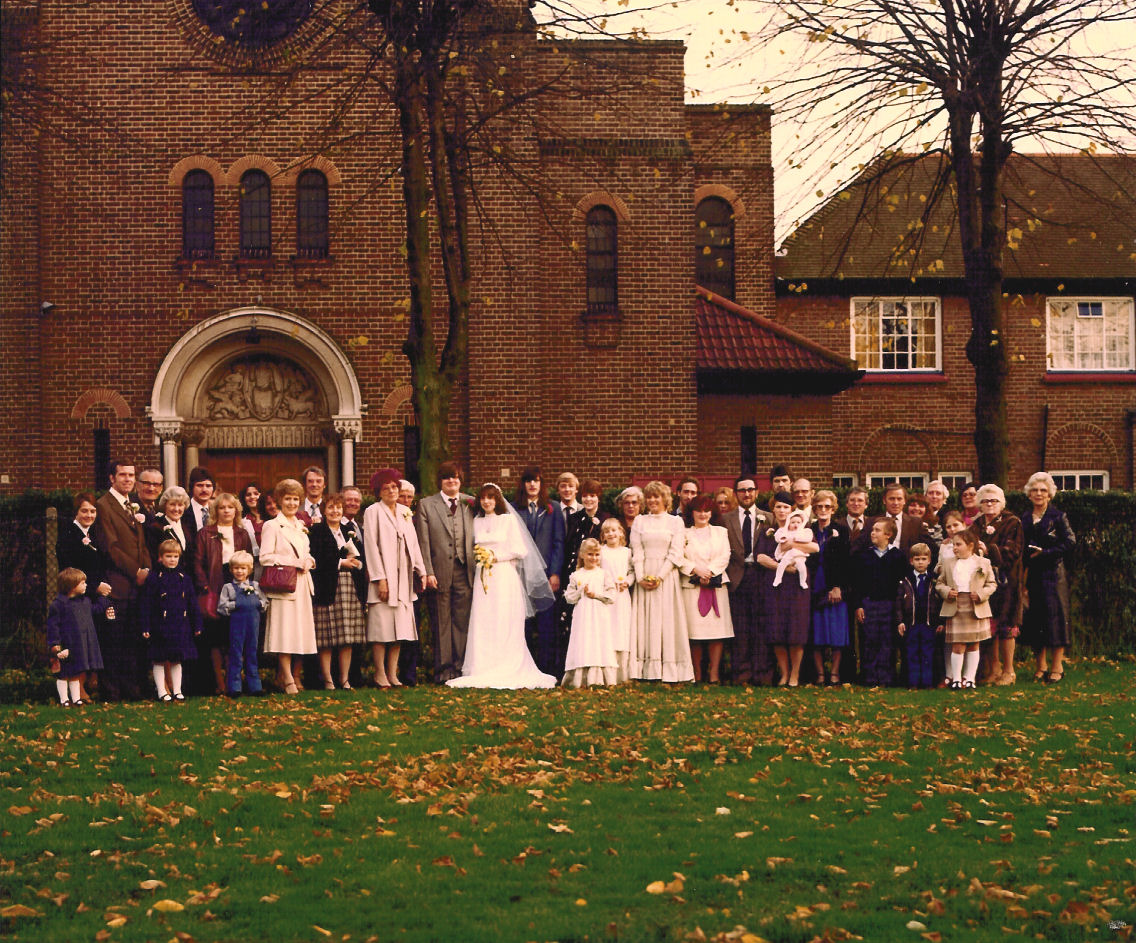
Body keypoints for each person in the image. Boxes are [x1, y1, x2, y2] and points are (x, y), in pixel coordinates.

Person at [448, 484, 557, 689]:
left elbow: (520, 550)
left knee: (503, 619)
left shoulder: (507, 520)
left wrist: (494, 557)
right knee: (484, 620)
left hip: (504, 576)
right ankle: (483, 666)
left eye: (491, 498)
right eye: (483, 498)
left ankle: (508, 664)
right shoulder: (477, 521)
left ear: (497, 500)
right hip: (483, 579)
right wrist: (482, 558)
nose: (487, 501)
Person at [363, 468, 427, 688]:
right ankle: (379, 673)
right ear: (378, 492)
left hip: (404, 580)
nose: (391, 491)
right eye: (386, 488)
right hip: (385, 577)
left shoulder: (404, 511)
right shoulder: (373, 512)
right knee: (382, 629)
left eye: (394, 487)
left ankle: (393, 673)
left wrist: (421, 570)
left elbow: (414, 542)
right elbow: (371, 546)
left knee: (400, 629)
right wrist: (380, 578)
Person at [94, 460, 151, 701]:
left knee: (131, 642)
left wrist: (147, 568)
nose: (128, 479)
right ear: (111, 478)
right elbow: (110, 547)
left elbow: (141, 542)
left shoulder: (131, 505)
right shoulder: (103, 506)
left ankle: (131, 689)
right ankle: (112, 691)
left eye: (131, 475)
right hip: (117, 583)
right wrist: (135, 570)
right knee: (113, 641)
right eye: (122, 475)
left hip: (135, 586)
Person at [416, 462, 476, 683]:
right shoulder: (426, 505)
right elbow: (423, 542)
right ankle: (443, 669)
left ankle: (461, 667)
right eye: (447, 478)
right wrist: (428, 571)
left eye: (456, 478)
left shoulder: (471, 503)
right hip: (439, 571)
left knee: (462, 620)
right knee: (441, 620)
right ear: (440, 481)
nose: (452, 481)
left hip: (464, 570)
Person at [629, 481, 693, 683]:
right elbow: (636, 551)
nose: (652, 500)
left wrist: (660, 576)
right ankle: (645, 670)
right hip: (644, 574)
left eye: (656, 496)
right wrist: (640, 577)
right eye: (649, 497)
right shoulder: (639, 521)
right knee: (645, 622)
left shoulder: (675, 522)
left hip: (666, 578)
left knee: (666, 622)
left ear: (665, 499)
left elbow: (675, 553)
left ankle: (670, 670)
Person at [260, 478, 317, 695]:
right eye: (287, 499)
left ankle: (296, 675)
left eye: (295, 499)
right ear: (279, 501)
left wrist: (310, 561)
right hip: (284, 585)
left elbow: (306, 553)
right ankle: (287, 677)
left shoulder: (301, 526)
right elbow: (265, 557)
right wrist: (294, 563)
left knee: (300, 632)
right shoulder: (272, 525)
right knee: (284, 633)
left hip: (302, 585)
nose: (292, 503)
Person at [756, 492, 817, 686]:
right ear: (772, 509)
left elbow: (815, 548)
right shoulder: (767, 531)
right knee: (777, 630)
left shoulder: (801, 529)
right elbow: (760, 558)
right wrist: (782, 567)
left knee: (796, 630)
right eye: (778, 507)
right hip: (776, 585)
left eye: (786, 507)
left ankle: (795, 674)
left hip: (798, 587)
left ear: (792, 510)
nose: (782, 511)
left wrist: (793, 545)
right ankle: (784, 672)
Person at [195, 492, 253, 695]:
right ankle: (219, 682)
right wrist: (205, 587)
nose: (226, 511)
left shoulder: (241, 533)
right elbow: (198, 562)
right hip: (214, 586)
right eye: (222, 507)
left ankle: (234, 680)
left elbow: (248, 559)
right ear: (215, 510)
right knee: (216, 638)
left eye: (230, 507)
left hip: (237, 585)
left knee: (235, 637)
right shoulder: (205, 533)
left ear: (236, 510)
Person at [1020, 472, 1075, 684]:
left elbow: (1070, 542)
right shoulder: (1024, 518)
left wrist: (1047, 552)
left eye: (1043, 490)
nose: (1039, 494)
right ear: (1029, 493)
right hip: (1032, 575)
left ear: (1050, 494)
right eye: (1034, 490)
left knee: (1056, 620)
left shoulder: (1058, 516)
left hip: (1054, 575)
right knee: (1036, 620)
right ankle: (1040, 665)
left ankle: (1057, 666)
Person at [310, 492, 367, 689]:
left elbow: (361, 558)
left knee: (347, 636)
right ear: (324, 510)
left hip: (349, 587)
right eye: (331, 507)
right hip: (327, 587)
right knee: (326, 637)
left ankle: (344, 679)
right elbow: (317, 558)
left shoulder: (348, 530)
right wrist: (341, 562)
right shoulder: (317, 531)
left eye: (338, 507)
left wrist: (357, 564)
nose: (335, 511)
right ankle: (328, 679)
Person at [515, 467, 565, 676]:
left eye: (535, 481)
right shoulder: (514, 509)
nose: (532, 485)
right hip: (521, 575)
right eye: (528, 481)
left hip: (545, 576)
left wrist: (554, 573)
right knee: (524, 624)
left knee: (546, 625)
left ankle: (547, 668)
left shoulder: (552, 509)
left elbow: (558, 543)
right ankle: (524, 668)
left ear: (541, 484)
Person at [972, 483, 1024, 685]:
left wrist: (989, 549)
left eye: (994, 500)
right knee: (989, 626)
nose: (990, 504)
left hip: (1007, 580)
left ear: (1001, 503)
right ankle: (994, 669)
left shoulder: (1012, 522)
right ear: (980, 505)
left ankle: (1009, 671)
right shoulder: (976, 525)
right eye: (985, 501)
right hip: (984, 582)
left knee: (1007, 626)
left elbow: (1013, 551)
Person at [138, 539, 202, 701]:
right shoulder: (154, 578)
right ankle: (161, 691)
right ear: (160, 557)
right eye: (168, 556)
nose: (172, 559)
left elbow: (192, 603)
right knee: (159, 659)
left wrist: (197, 624)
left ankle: (177, 690)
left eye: (175, 556)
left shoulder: (184, 578)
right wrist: (145, 626)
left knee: (176, 659)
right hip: (159, 626)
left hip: (180, 625)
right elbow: (146, 603)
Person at [680, 494, 733, 684]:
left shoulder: (720, 532)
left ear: (712, 513)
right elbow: (679, 557)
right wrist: (696, 570)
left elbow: (725, 555)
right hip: (692, 586)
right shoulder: (684, 533)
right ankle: (696, 673)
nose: (703, 514)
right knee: (694, 633)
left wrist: (709, 572)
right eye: (698, 510)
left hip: (716, 585)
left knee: (715, 633)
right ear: (692, 513)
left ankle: (714, 673)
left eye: (706, 510)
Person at [724, 475, 772, 686]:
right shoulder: (726, 519)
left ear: (757, 492)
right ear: (736, 494)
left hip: (762, 577)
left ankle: (762, 675)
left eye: (750, 489)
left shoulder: (768, 518)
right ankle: (741, 675)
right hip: (737, 578)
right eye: (742, 490)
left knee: (762, 628)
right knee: (740, 629)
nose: (746, 494)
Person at [936, 529, 997, 690]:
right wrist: (946, 592)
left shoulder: (983, 563)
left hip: (975, 607)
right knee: (958, 645)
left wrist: (981, 594)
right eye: (953, 544)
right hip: (956, 607)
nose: (954, 548)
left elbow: (992, 584)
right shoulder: (948, 562)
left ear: (970, 545)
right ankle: (956, 679)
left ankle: (969, 679)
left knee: (974, 645)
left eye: (958, 544)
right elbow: (939, 583)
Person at [851, 518, 905, 687]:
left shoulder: (897, 556)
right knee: (869, 640)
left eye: (877, 530)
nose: (873, 533)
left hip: (889, 605)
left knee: (887, 641)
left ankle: (886, 677)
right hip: (869, 604)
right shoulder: (864, 556)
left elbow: (901, 584)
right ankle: (869, 676)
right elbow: (857, 583)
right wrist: (859, 605)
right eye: (872, 529)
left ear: (888, 535)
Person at [46, 568, 108, 706]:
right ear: (71, 586)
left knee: (76, 672)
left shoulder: (85, 601)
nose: (86, 585)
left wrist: (104, 599)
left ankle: (76, 699)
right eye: (82, 583)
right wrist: (55, 645)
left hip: (82, 645)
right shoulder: (58, 605)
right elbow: (53, 626)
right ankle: (64, 700)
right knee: (63, 674)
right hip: (66, 646)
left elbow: (95, 610)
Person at [562, 538, 619, 688]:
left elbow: (612, 595)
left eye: (596, 554)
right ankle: (580, 676)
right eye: (590, 554)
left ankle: (600, 677)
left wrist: (597, 595)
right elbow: (569, 597)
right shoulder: (576, 575)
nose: (593, 558)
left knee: (599, 640)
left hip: (599, 615)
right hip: (583, 615)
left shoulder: (603, 574)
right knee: (583, 640)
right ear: (582, 555)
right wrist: (581, 592)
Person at [808, 490, 850, 687]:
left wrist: (838, 587)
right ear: (814, 509)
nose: (823, 510)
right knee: (816, 633)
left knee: (836, 633)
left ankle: (834, 673)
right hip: (814, 585)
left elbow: (845, 562)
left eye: (827, 507)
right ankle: (819, 674)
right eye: (819, 507)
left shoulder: (841, 530)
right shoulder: (808, 530)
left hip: (834, 586)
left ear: (833, 509)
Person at [216, 550, 267, 696]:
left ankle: (255, 686)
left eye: (243, 568)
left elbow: (264, 602)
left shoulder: (255, 586)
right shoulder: (228, 588)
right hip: (236, 625)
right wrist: (236, 604)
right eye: (236, 568)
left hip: (253, 624)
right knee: (236, 654)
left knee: (252, 653)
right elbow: (222, 607)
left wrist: (258, 603)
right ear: (231, 569)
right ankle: (234, 687)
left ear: (249, 570)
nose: (239, 571)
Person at [896, 543, 942, 689]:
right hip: (911, 623)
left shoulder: (935, 580)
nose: (920, 562)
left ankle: (927, 682)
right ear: (911, 561)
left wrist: (940, 622)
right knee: (912, 653)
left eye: (923, 559)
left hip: (929, 624)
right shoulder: (905, 580)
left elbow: (941, 603)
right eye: (917, 559)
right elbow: (898, 603)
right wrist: (900, 621)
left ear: (929, 560)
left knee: (928, 653)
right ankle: (913, 682)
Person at [600, 518, 634, 682]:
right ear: (603, 535)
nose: (611, 534)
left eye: (614, 530)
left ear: (621, 532)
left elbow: (632, 571)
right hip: (606, 598)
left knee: (622, 630)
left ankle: (622, 674)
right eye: (607, 531)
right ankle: (607, 673)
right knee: (608, 630)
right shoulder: (601, 552)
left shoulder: (626, 552)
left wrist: (627, 581)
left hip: (622, 597)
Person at [181, 466, 216, 572]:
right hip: (189, 570)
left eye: (208, 486)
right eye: (199, 485)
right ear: (192, 487)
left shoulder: (218, 512)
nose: (204, 489)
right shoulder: (182, 512)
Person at [146, 486, 191, 566]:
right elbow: (153, 558)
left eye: (180, 505)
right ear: (165, 505)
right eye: (172, 504)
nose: (176, 509)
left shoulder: (187, 526)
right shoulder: (155, 527)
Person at [772, 509, 813, 589]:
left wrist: (797, 538)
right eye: (793, 522)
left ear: (802, 523)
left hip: (798, 556)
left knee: (802, 568)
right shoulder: (784, 531)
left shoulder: (805, 531)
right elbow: (777, 536)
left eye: (798, 522)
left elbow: (808, 538)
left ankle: (803, 582)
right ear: (788, 523)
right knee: (781, 565)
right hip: (787, 556)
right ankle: (778, 579)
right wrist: (783, 538)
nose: (796, 524)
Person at [842, 486, 872, 554]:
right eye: (852, 500)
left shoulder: (872, 525)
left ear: (866, 505)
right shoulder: (837, 525)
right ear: (847, 503)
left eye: (860, 500)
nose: (856, 504)